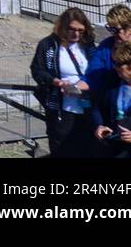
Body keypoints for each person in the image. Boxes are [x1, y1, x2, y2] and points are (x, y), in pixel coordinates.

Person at [29, 8, 96, 157]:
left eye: (80, 30)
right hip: (61, 109)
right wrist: (55, 82)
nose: (76, 34)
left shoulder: (88, 46)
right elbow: (37, 70)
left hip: (87, 109)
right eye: (72, 29)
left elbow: (97, 70)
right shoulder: (48, 45)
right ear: (63, 26)